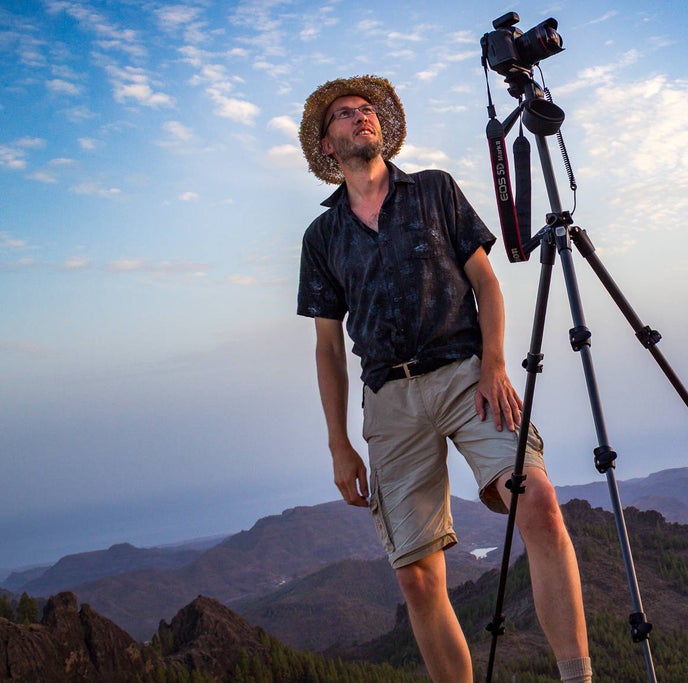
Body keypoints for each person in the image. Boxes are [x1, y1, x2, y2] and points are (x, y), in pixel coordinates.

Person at [295, 75, 592, 683]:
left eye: (368, 109)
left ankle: (577, 677)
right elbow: (327, 347)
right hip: (388, 399)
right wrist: (338, 441)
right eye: (346, 114)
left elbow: (485, 283)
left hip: (466, 375)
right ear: (328, 146)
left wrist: (494, 365)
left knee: (536, 502)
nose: (363, 116)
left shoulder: (435, 191)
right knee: (417, 575)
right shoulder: (321, 237)